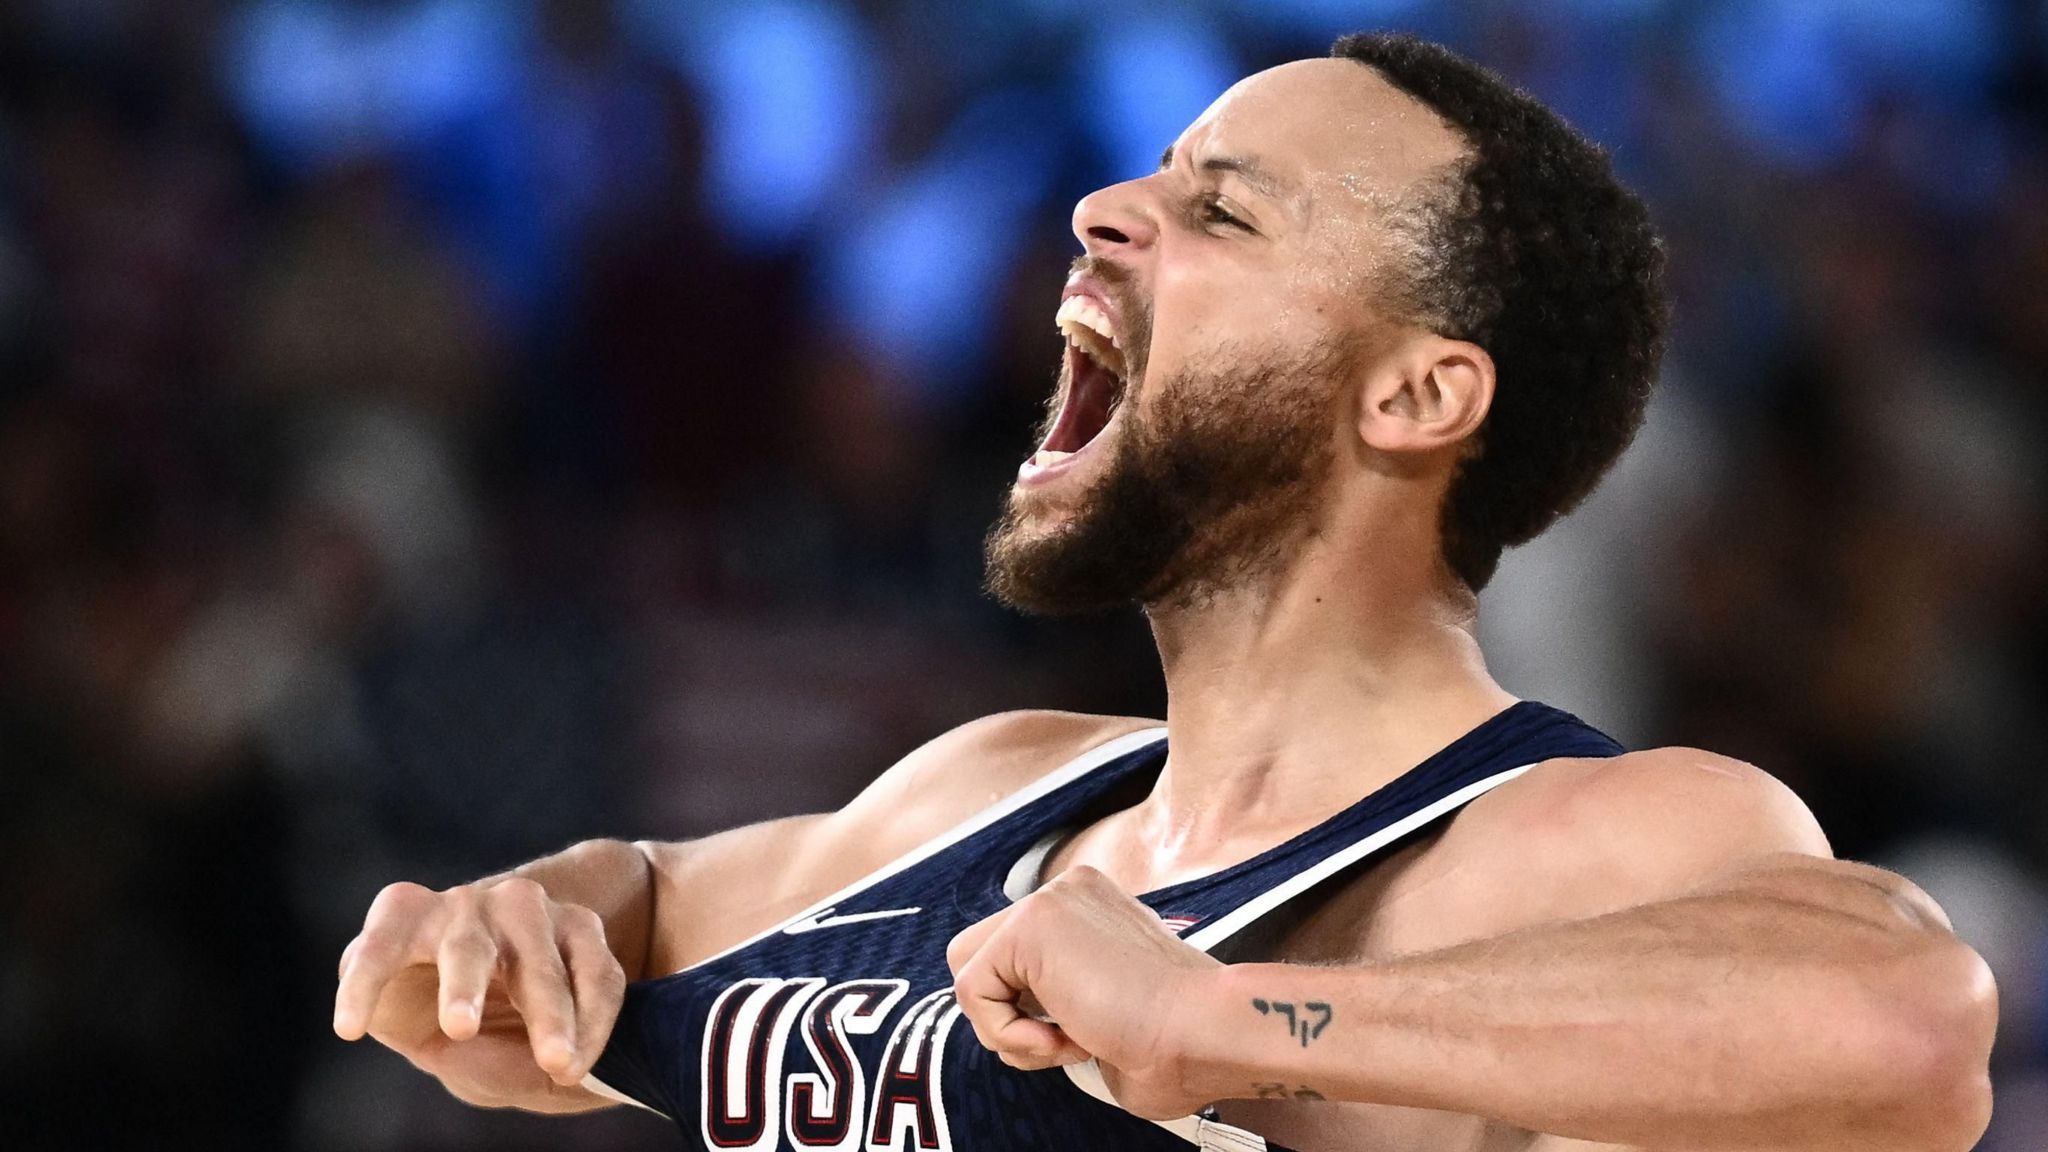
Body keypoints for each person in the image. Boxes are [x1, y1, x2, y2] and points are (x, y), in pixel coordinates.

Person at [331, 33, 1996, 1152]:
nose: (1100, 212)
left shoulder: (1550, 843)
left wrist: (1226, 1019)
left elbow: (1908, 1029)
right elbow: (643, 893)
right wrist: (513, 923)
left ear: (1417, 396)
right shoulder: (992, 789)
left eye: (1223, 212)